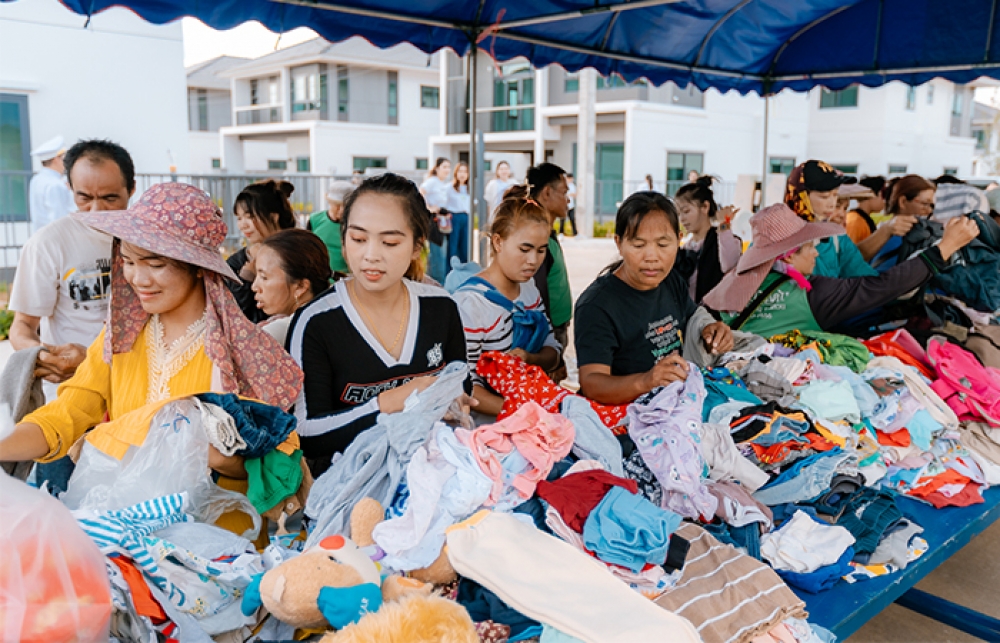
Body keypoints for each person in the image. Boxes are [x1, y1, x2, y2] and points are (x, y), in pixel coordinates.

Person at [0, 183, 304, 536]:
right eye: (128, 262)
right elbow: (65, 415)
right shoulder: (120, 338)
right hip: (127, 533)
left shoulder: (245, 352)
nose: (138, 278)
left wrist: (214, 454)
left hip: (219, 540)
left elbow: (274, 467)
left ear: (197, 266)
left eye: (155, 264)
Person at [286, 173, 469, 477]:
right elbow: (305, 433)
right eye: (358, 239)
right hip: (351, 485)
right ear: (344, 241)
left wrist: (455, 402)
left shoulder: (442, 308)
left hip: (435, 474)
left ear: (416, 246)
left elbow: (460, 385)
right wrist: (387, 403)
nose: (371, 255)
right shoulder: (316, 322)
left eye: (390, 242)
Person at [8, 139, 135, 493]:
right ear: (69, 188)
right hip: (68, 402)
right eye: (84, 198)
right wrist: (45, 357)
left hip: (133, 401)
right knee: (59, 504)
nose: (96, 210)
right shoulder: (48, 243)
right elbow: (22, 327)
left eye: (110, 198)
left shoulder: (147, 241)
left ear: (132, 188)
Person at [703, 203, 980, 338]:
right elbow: (881, 287)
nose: (816, 252)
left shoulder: (735, 279)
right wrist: (944, 248)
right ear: (789, 257)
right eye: (810, 247)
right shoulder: (810, 294)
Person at [575, 191, 734, 406]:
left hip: (672, 404)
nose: (651, 257)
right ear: (619, 243)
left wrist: (710, 330)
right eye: (639, 245)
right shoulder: (595, 306)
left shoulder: (671, 281)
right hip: (623, 415)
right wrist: (646, 381)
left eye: (663, 244)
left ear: (678, 240)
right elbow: (592, 383)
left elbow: (693, 316)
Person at [453, 195, 562, 419]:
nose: (533, 260)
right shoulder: (470, 304)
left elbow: (554, 350)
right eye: (525, 249)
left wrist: (531, 359)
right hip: (488, 426)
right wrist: (525, 414)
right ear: (498, 242)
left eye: (541, 250)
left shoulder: (530, 289)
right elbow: (464, 385)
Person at [516, 163, 574, 357]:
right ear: (547, 192)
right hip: (547, 333)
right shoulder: (537, 241)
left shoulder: (548, 233)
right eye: (564, 192)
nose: (568, 200)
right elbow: (537, 291)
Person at [785, 160, 878, 278]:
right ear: (801, 197)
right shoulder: (778, 237)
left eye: (835, 195)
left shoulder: (836, 238)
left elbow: (864, 276)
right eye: (824, 196)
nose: (832, 204)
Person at [228, 180, 297, 323]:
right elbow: (231, 313)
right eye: (239, 218)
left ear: (273, 216)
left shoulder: (299, 253)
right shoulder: (236, 263)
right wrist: (245, 279)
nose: (242, 225)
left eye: (250, 217)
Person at [253, 229, 333, 346]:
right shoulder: (330, 316)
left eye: (264, 277)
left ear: (300, 287)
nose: (254, 287)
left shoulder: (278, 331)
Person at [675, 176, 742, 304]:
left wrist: (724, 225)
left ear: (705, 207)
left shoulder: (722, 239)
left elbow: (730, 265)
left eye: (686, 211)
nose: (682, 219)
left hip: (715, 313)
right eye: (678, 214)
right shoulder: (686, 247)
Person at [28, 135, 73, 235]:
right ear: (56, 159)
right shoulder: (56, 184)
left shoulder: (36, 179)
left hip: (41, 236)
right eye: (64, 158)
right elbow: (60, 219)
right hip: (57, 237)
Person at [308, 181, 353, 275]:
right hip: (320, 276)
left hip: (347, 276)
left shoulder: (355, 224)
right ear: (329, 202)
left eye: (346, 205)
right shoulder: (315, 220)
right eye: (337, 205)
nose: (341, 209)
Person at [419, 157, 452, 284]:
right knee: (437, 254)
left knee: (440, 254)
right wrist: (429, 208)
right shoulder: (432, 181)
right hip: (433, 222)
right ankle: (436, 284)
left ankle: (436, 283)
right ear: (437, 168)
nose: (447, 170)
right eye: (444, 167)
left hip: (443, 222)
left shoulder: (441, 183)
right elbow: (420, 193)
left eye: (448, 167)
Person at [845, 175, 886, 244]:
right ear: (871, 194)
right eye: (884, 194)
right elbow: (848, 249)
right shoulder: (855, 222)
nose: (885, 200)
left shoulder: (862, 219)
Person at [447, 161, 471, 264]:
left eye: (465, 172)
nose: (462, 174)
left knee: (465, 246)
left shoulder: (470, 188)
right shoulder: (450, 187)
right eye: (460, 171)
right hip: (454, 217)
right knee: (453, 246)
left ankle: (464, 268)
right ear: (456, 173)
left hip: (466, 217)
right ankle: (451, 269)